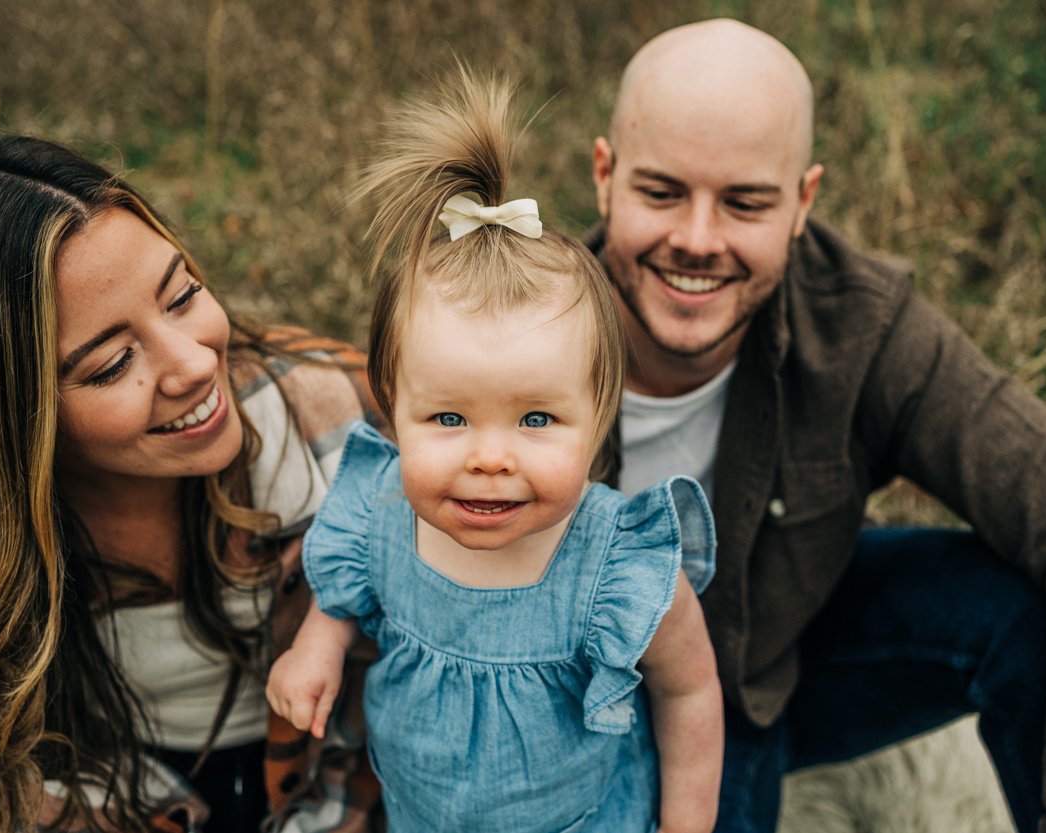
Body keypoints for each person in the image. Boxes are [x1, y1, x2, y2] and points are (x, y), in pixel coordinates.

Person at [588, 17, 1046, 833]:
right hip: (561, 699)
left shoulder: (864, 329)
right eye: (662, 191)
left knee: (1020, 604)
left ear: (802, 201)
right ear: (605, 176)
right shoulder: (519, 318)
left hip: (757, 675)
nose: (697, 239)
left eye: (745, 202)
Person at [0, 135, 384, 833]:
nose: (195, 364)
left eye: (183, 295)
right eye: (112, 364)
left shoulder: (344, 415)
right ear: (10, 421)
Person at [265, 71, 724, 833]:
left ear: (599, 414)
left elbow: (689, 692)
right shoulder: (378, 518)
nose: (489, 457)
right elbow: (343, 600)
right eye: (447, 416)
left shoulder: (618, 565)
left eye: (537, 418)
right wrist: (317, 644)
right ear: (391, 407)